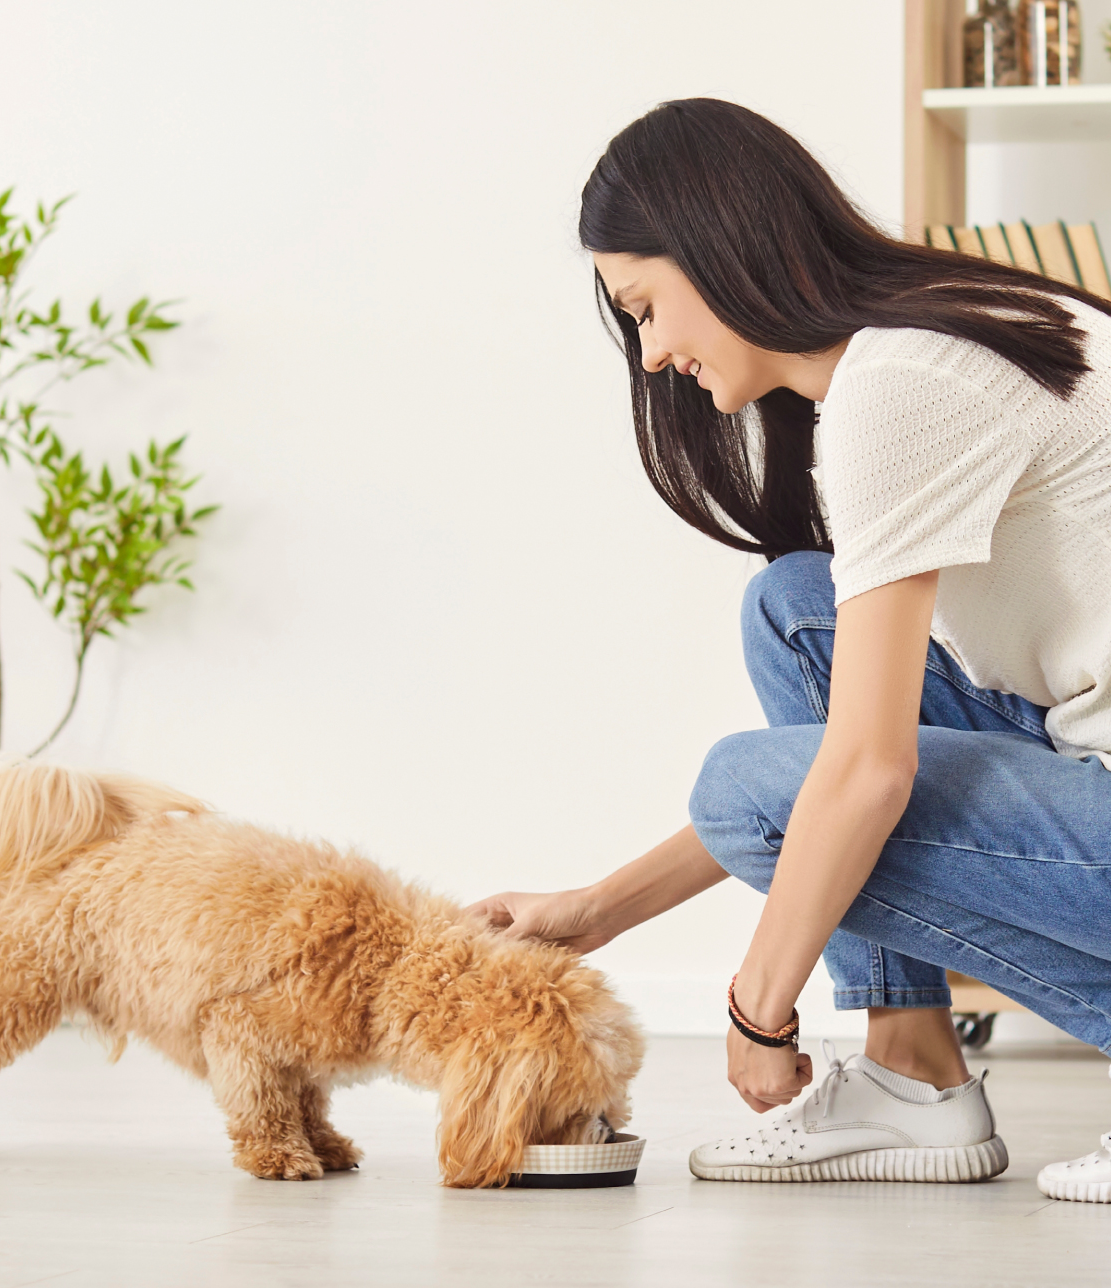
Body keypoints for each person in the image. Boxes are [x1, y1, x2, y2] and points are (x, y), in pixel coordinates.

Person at [469, 98, 1111, 1201]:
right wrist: (592, 911)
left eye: (646, 307)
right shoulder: (944, 324)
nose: (654, 352)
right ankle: (915, 1073)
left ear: (721, 247)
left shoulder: (901, 387)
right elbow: (845, 752)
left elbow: (862, 771)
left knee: (747, 780)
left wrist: (754, 1006)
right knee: (796, 609)